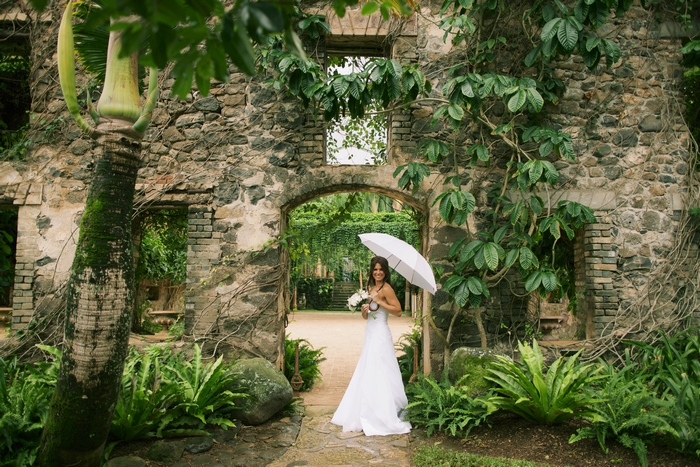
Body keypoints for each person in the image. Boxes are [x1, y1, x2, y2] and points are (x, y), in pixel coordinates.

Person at [330, 256, 412, 435]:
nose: (378, 272)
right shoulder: (371, 288)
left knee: (381, 368)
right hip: (370, 332)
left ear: (385, 271)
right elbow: (369, 316)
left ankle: (382, 412)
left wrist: (380, 300)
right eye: (375, 269)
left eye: (381, 269)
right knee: (368, 368)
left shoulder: (386, 289)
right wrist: (364, 311)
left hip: (381, 334)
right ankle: (365, 408)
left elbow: (398, 311)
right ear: (371, 271)